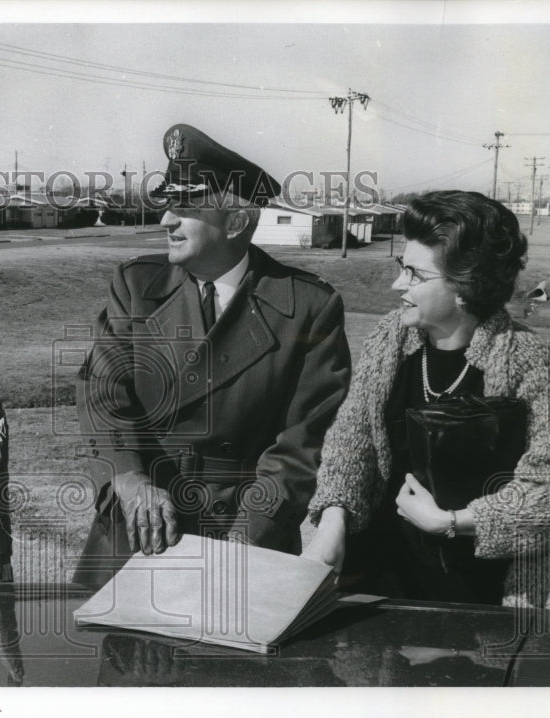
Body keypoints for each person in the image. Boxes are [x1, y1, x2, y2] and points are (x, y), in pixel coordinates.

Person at [72, 124, 351, 589]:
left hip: (244, 539)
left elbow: (303, 443)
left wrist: (244, 545)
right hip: (137, 530)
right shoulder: (136, 288)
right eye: (167, 204)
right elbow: (102, 392)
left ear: (236, 222)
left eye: (185, 206)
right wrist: (128, 478)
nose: (166, 220)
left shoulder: (307, 308)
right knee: (119, 657)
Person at [304, 190, 550, 607]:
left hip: (477, 598)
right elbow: (352, 443)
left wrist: (451, 522)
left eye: (415, 274)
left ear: (464, 285)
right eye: (403, 267)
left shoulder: (525, 360)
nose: (397, 283)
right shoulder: (390, 338)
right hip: (376, 578)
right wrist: (332, 521)